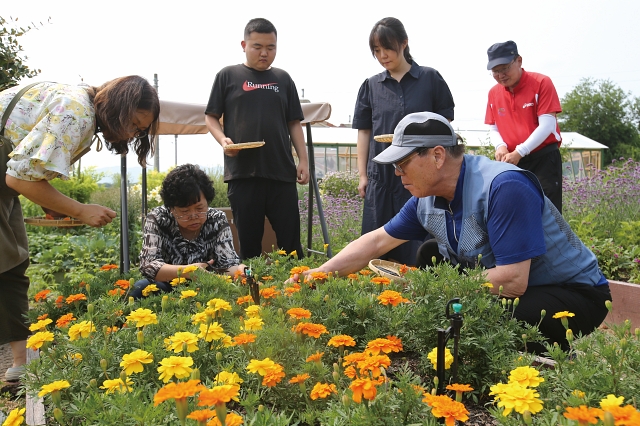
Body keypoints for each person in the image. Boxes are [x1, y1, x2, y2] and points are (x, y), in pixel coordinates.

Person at [297, 111, 611, 354]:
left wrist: (432, 292)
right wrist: (319, 273)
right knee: (431, 258)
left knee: (480, 317)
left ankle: (540, 361)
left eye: (403, 162)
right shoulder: (426, 197)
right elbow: (378, 240)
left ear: (436, 156)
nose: (396, 172)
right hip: (524, 287)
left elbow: (514, 281)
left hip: (573, 294)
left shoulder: (503, 187)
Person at [1, 76, 160, 381]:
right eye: (133, 125)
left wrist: (55, 205)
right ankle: (20, 367)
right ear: (118, 107)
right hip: (7, 182)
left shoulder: (80, 106)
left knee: (13, 264)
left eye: (139, 131)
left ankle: (20, 365)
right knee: (6, 269)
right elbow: (19, 179)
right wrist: (80, 209)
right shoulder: (76, 112)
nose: (131, 134)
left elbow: (24, 173)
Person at [204, 17, 309, 260]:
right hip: (243, 174)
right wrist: (223, 141)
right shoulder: (227, 76)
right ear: (244, 44)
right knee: (249, 247)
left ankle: (296, 293)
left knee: (291, 246)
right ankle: (251, 296)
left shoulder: (283, 79)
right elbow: (210, 117)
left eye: (271, 48)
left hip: (282, 174)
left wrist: (303, 160)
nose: (264, 53)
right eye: (257, 47)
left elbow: (294, 122)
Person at [353, 17, 455, 266]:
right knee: (377, 242)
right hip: (383, 175)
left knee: (420, 244)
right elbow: (364, 132)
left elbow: (445, 127)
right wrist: (363, 175)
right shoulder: (371, 85)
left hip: (422, 174)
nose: (382, 55)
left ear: (404, 43)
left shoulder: (431, 79)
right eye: (376, 51)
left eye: (387, 48)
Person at [132, 164, 245, 299]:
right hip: (167, 286)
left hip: (207, 286)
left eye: (199, 208)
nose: (193, 216)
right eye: (185, 211)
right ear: (171, 208)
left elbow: (228, 263)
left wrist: (239, 271)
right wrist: (188, 271)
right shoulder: (158, 218)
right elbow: (148, 265)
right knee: (140, 289)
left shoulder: (217, 219)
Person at [485, 40, 563, 213]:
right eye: (495, 71)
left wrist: (520, 151)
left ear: (519, 61)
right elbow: (494, 127)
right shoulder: (494, 93)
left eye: (505, 68)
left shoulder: (541, 82)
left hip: (542, 159)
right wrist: (500, 146)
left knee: (548, 213)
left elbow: (548, 125)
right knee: (516, 213)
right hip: (511, 161)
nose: (501, 75)